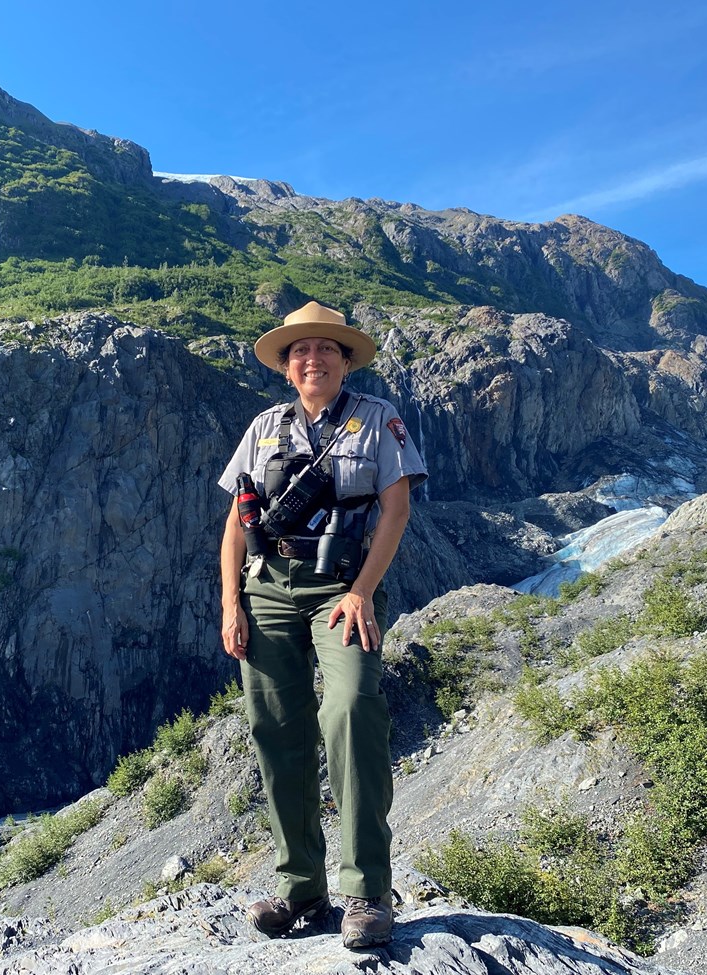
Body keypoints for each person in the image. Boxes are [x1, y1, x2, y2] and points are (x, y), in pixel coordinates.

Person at [218, 300, 428, 949]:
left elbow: (396, 509)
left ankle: (366, 890)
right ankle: (300, 888)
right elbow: (235, 523)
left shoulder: (377, 421)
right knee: (276, 730)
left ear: (344, 359)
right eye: (300, 351)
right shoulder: (263, 427)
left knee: (351, 707)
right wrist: (231, 602)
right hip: (268, 590)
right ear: (287, 366)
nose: (313, 359)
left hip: (341, 590)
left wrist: (364, 591)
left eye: (325, 349)